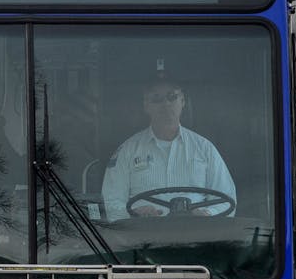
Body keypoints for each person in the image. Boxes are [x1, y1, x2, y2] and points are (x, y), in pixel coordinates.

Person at [101, 74, 236, 220]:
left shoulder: (205, 148)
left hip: (197, 237)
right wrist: (134, 213)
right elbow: (110, 201)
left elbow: (227, 199)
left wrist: (207, 214)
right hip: (141, 236)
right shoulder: (127, 151)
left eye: (172, 97)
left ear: (183, 101)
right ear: (146, 105)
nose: (165, 104)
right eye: (156, 98)